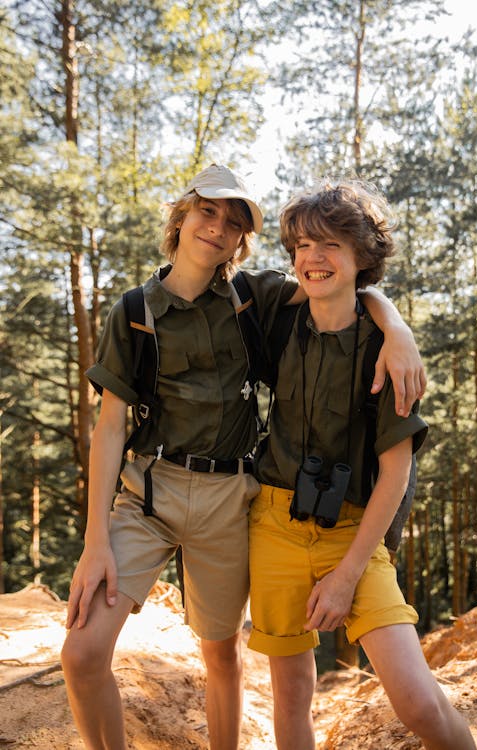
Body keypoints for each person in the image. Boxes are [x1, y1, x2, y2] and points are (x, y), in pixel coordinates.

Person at [61, 164, 426, 750]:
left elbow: (342, 285)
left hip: (229, 498)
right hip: (147, 496)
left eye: (233, 223)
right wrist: (94, 541)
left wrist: (396, 325)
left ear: (241, 241)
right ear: (181, 216)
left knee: (222, 655)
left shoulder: (255, 299)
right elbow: (109, 430)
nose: (218, 227)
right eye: (208, 211)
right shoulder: (132, 311)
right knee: (80, 653)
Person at [248, 179, 477, 750]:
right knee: (292, 696)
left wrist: (348, 574)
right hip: (273, 524)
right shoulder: (279, 313)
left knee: (419, 701)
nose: (312, 258)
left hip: (356, 533)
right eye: (301, 244)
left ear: (362, 257)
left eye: (330, 245)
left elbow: (396, 475)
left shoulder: (391, 356)